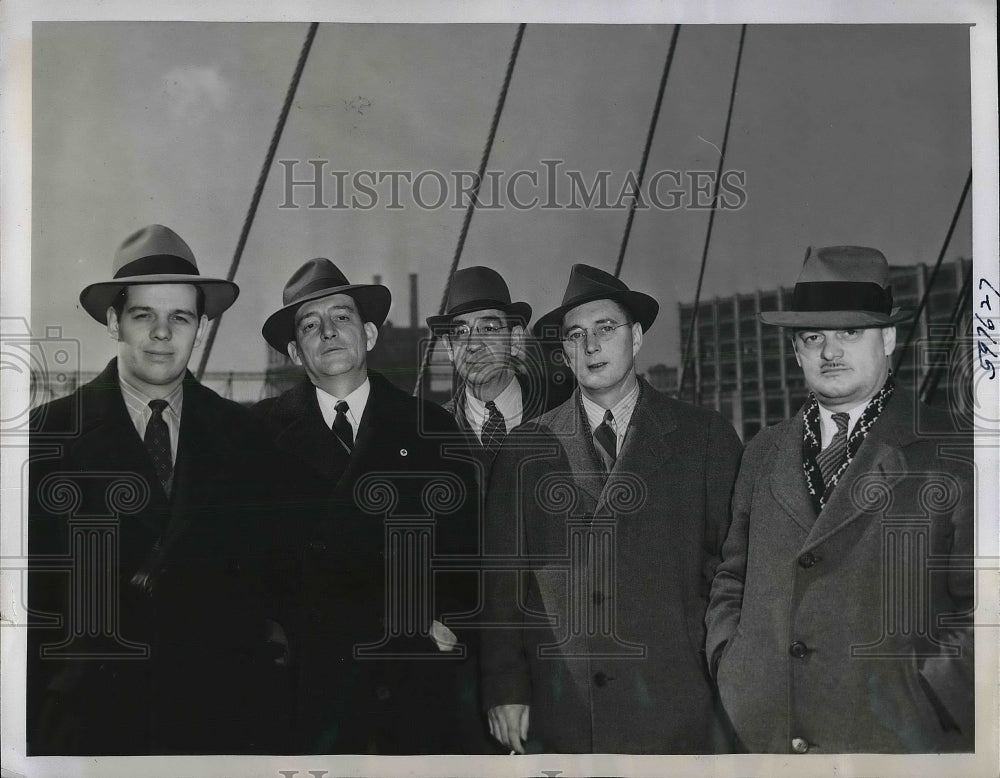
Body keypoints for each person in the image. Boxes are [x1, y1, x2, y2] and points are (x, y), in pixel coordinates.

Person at [27, 224, 291, 755]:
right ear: (113, 322)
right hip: (89, 727)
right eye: (144, 315)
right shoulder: (48, 435)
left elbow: (272, 580)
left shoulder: (246, 438)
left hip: (221, 725)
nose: (163, 334)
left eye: (181, 317)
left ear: (201, 326)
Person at [706, 245, 974, 753]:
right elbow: (731, 576)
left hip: (896, 743)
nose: (830, 352)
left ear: (889, 338)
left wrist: (932, 701)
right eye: (813, 337)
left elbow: (984, 606)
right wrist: (733, 667)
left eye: (850, 332)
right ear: (796, 350)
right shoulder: (762, 451)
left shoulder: (952, 448)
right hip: (769, 739)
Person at [480, 263, 743, 753]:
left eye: (606, 329)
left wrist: (729, 677)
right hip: (563, 709)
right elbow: (501, 587)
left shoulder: (704, 438)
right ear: (562, 352)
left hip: (678, 705)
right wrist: (504, 687)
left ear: (637, 337)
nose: (591, 346)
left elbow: (734, 573)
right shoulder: (525, 450)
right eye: (575, 336)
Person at [253, 257, 478, 754]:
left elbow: (468, 554)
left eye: (342, 317)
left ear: (370, 335)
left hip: (410, 687)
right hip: (306, 693)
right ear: (295, 351)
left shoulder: (430, 428)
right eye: (310, 326)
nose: (328, 332)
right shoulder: (255, 439)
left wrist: (445, 624)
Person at [427, 265, 550, 482]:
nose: (473, 345)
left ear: (515, 340)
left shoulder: (561, 408)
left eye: (489, 329)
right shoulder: (433, 431)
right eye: (460, 332)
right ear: (449, 347)